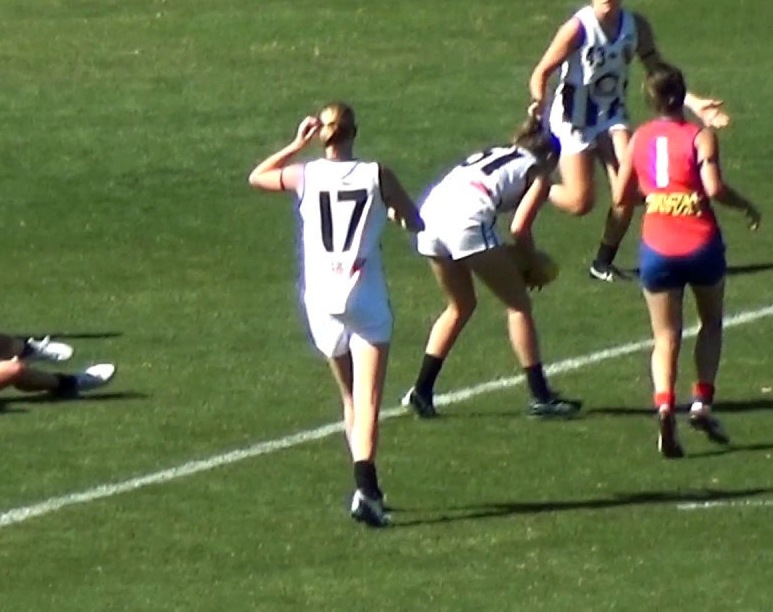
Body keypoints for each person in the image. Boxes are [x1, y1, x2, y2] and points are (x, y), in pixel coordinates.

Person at [248, 102, 423, 528]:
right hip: (364, 295)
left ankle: (368, 488)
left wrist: (295, 143)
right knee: (369, 403)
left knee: (349, 398)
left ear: (323, 133)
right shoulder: (376, 174)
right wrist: (395, 214)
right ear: (354, 132)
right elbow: (415, 221)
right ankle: (366, 488)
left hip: (321, 298)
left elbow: (258, 176)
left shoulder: (305, 174)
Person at [527, 0, 730, 282]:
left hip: (611, 118)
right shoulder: (578, 29)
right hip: (574, 121)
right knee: (580, 202)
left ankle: (602, 261)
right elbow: (542, 72)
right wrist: (538, 101)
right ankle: (533, 183)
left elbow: (657, 72)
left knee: (630, 190)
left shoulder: (635, 27)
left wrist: (695, 104)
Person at [612, 63, 760, 457]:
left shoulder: (639, 138)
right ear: (683, 96)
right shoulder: (700, 136)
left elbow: (620, 196)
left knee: (665, 335)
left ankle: (664, 405)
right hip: (701, 243)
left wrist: (655, 196)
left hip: (657, 247)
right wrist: (746, 206)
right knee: (711, 322)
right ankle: (701, 401)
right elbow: (713, 187)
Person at [401, 118, 582, 419]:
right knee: (518, 306)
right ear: (550, 157)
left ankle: (422, 390)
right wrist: (532, 263)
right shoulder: (538, 173)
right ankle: (540, 396)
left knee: (460, 306)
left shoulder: (500, 153)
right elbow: (520, 228)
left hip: (429, 218)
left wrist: (522, 258)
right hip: (466, 222)